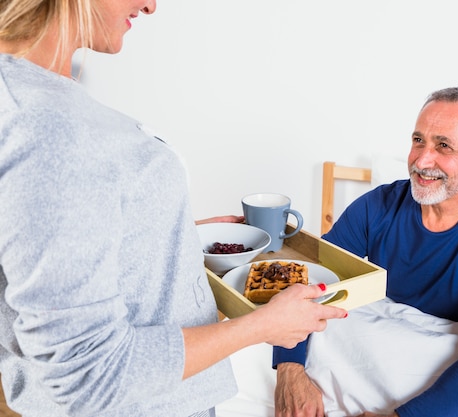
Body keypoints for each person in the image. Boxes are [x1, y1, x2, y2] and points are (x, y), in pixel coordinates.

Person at [0, 1, 347, 416]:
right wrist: (261, 327)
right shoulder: (53, 129)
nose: (151, 5)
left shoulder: (26, 98)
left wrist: (172, 230)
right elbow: (89, 372)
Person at [273, 87, 458, 417]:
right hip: (373, 344)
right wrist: (289, 369)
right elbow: (310, 282)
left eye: (444, 146)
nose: (422, 160)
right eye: (418, 140)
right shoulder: (375, 207)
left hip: (444, 357)